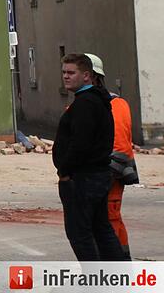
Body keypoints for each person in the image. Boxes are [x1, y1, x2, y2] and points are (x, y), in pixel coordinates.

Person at [52, 52, 124, 260]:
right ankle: (118, 275)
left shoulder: (86, 104)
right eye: (64, 72)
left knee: (80, 234)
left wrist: (65, 171)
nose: (66, 77)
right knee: (101, 228)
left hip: (83, 178)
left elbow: (80, 144)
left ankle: (95, 276)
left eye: (71, 73)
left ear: (86, 76)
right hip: (96, 175)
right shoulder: (96, 100)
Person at [86, 53, 137, 260]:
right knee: (109, 218)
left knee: (106, 220)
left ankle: (114, 265)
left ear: (91, 77)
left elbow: (118, 144)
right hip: (110, 171)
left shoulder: (105, 105)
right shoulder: (117, 103)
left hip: (105, 173)